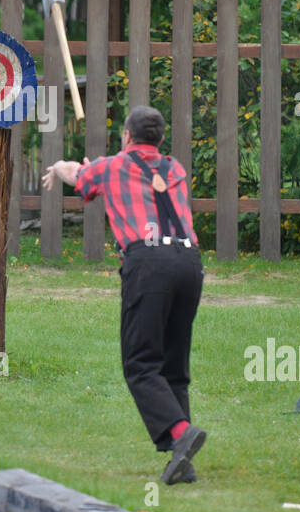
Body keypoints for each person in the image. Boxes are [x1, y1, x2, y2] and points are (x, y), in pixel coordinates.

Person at [43, 105, 207, 485]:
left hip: (149, 263)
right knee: (173, 369)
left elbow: (77, 175)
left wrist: (63, 166)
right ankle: (182, 460)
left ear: (128, 137)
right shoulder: (175, 168)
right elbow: (134, 180)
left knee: (140, 364)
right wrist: (94, 167)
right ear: (161, 140)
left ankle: (181, 434)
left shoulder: (111, 166)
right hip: (189, 262)